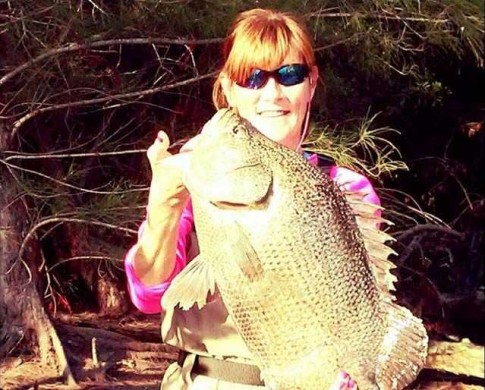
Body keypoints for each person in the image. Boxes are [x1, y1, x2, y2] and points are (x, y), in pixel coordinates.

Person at [124, 8, 380, 389]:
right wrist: (164, 204)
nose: (272, 93)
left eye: (290, 75)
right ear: (227, 89)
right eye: (252, 78)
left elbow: (366, 319)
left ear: (311, 84)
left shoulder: (346, 190)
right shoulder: (198, 176)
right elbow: (148, 295)